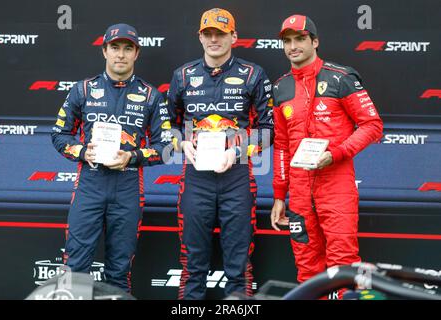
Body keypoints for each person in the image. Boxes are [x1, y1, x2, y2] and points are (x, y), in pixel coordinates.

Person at [51, 23, 173, 292]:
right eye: (115, 47)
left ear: (136, 54)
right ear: (104, 51)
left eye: (127, 48)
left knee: (119, 271)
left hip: (128, 188)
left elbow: (166, 147)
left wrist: (132, 157)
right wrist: (82, 151)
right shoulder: (82, 90)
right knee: (75, 268)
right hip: (90, 185)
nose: (121, 54)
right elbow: (59, 134)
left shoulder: (151, 96)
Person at [270, 14, 383, 298]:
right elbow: (282, 145)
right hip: (297, 193)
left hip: (337, 186)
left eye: (300, 39)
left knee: (343, 265)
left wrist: (337, 153)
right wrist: (279, 195)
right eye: (287, 41)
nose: (293, 46)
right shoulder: (280, 87)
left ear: (315, 41)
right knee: (307, 270)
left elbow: (372, 125)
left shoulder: (341, 77)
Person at [167, 8, 274, 299]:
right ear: (200, 37)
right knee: (192, 265)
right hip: (195, 179)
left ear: (234, 37)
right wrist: (180, 143)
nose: (214, 39)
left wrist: (239, 150)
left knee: (238, 267)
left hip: (237, 177)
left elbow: (269, 129)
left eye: (221, 34)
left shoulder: (253, 74)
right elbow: (167, 125)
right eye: (208, 34)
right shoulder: (183, 75)